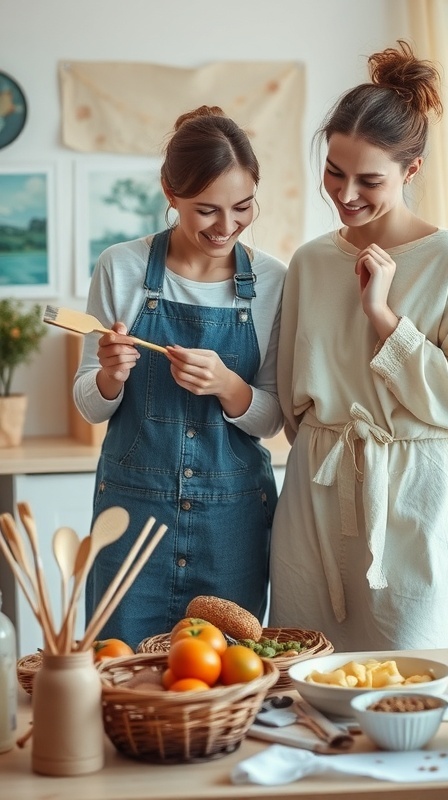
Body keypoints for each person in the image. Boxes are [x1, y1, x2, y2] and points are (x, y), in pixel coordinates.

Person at [268, 41, 448, 651]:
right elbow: (295, 406)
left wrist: (384, 318)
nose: (345, 194)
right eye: (334, 171)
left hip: (415, 499)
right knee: (304, 678)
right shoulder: (311, 261)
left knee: (411, 678)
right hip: (317, 496)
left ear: (411, 171)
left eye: (368, 179)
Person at [74, 106, 286, 650]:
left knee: (226, 685)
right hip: (131, 519)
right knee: (117, 679)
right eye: (206, 210)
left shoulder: (271, 281)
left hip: (232, 525)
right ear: (170, 192)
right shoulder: (119, 268)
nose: (226, 226)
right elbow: (89, 405)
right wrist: (110, 378)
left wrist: (228, 386)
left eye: (243, 206)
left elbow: (274, 417)